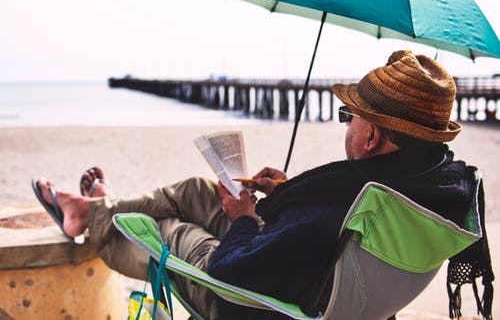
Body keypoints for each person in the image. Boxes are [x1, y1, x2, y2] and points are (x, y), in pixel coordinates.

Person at [32, 50, 493, 320]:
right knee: (198, 189)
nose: (346, 125)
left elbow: (232, 273)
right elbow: (328, 225)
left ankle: (96, 217)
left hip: (252, 302)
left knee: (170, 226)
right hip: (316, 269)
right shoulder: (433, 186)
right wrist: (291, 192)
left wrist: (243, 219)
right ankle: (90, 210)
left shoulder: (347, 202)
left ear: (371, 136)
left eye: (348, 117)